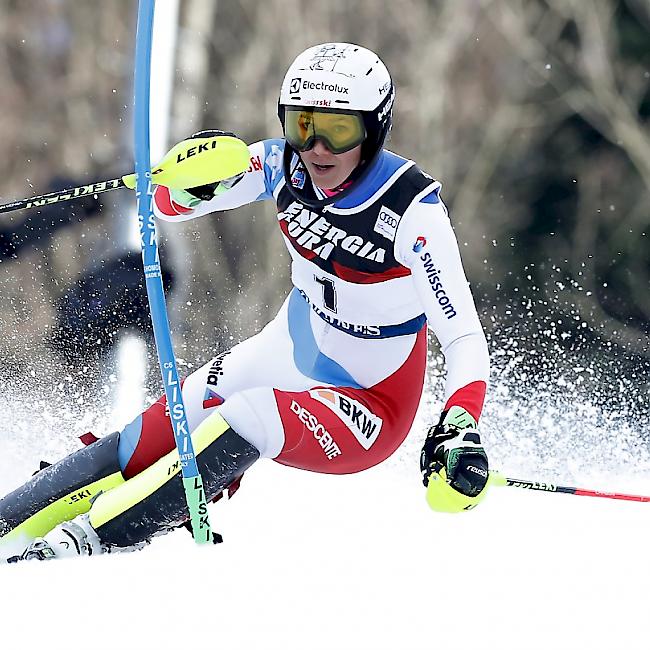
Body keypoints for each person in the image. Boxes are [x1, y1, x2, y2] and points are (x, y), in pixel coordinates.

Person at [0, 42, 490, 562]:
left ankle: (83, 547)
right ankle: (11, 519)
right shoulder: (283, 164)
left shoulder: (413, 211)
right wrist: (191, 180)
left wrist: (460, 425)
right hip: (291, 344)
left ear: (374, 129)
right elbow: (169, 206)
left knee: (248, 416)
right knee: (155, 432)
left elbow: (463, 336)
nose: (317, 147)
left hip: (370, 398)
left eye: (339, 130)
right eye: (303, 124)